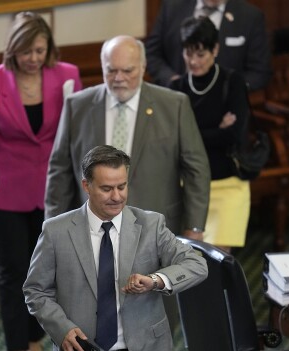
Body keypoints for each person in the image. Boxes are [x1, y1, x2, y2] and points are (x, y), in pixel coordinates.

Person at [24, 145, 208, 351]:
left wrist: (156, 280)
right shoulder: (56, 231)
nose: (117, 196)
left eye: (122, 186)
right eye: (107, 188)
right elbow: (35, 291)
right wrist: (62, 329)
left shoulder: (151, 225)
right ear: (86, 186)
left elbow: (196, 264)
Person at [0, 11, 82, 351]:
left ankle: (37, 340)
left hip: (54, 189)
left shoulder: (67, 75)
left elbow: (75, 132)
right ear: (12, 50)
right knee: (13, 272)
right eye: (26, 52)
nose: (33, 59)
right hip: (6, 191)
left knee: (47, 272)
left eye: (39, 50)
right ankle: (19, 348)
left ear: (49, 48)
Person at [45, 35, 210, 242]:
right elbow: (59, 172)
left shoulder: (174, 106)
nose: (119, 78)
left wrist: (194, 227)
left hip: (156, 229)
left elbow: (197, 170)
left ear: (142, 67)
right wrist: (53, 226)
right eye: (111, 70)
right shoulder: (77, 107)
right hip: (91, 230)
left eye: (127, 70)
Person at [170, 16, 250, 253]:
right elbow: (175, 141)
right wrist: (217, 130)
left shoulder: (232, 82)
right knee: (190, 262)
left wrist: (193, 134)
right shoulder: (177, 89)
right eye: (188, 54)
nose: (194, 61)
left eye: (201, 54)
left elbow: (234, 135)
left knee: (218, 263)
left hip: (227, 184)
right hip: (190, 186)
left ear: (215, 49)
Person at [145, 0, 272, 91]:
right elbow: (151, 53)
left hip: (224, 114)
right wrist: (172, 80)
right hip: (174, 105)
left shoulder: (250, 16)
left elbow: (260, 72)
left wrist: (228, 89)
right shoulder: (172, 6)